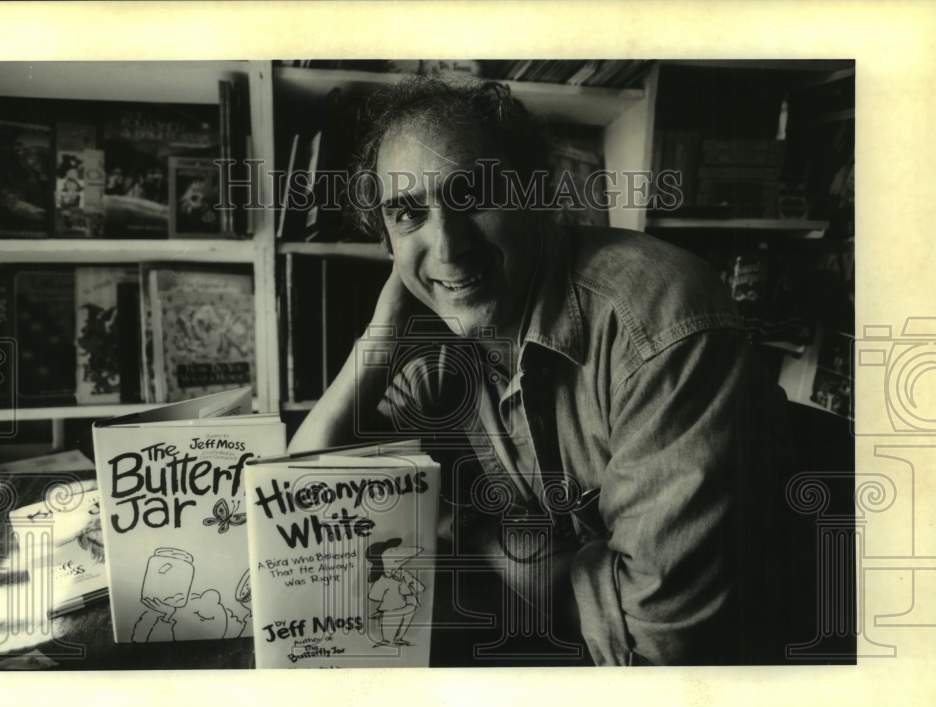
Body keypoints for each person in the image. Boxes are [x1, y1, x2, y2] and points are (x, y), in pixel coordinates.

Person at [290, 78, 792, 666]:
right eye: (407, 213)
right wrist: (378, 338)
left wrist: (467, 533)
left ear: (540, 195)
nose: (447, 248)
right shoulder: (439, 327)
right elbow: (305, 499)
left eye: (472, 195)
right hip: (557, 649)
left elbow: (658, 641)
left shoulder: (659, 320)